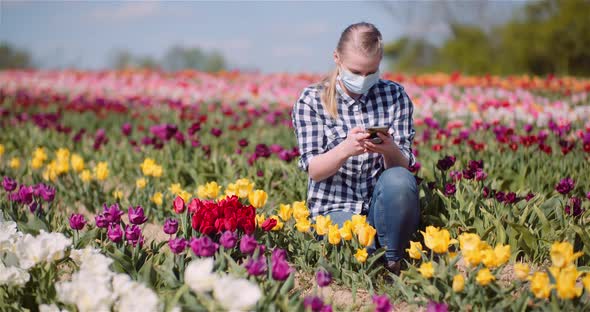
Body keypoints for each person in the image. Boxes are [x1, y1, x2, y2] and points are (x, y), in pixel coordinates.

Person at [291, 22, 420, 275]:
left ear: (380, 61)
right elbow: (314, 170)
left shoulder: (395, 96)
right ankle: (378, 256)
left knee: (400, 180)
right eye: (355, 71)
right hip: (333, 207)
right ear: (336, 58)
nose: (363, 80)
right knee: (361, 250)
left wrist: (389, 149)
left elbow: (402, 170)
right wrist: (344, 150)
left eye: (371, 72)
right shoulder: (312, 100)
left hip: (380, 206)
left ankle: (394, 262)